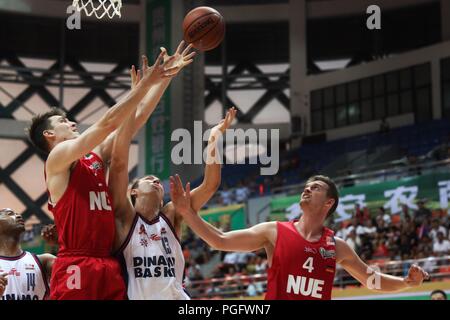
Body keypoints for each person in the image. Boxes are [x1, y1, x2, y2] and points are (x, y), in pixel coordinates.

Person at [28, 47, 189, 300]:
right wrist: (141, 87)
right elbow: (106, 124)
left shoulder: (94, 157)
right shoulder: (56, 159)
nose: (71, 123)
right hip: (77, 263)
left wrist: (165, 77)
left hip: (108, 261)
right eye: (63, 121)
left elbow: (134, 121)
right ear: (49, 135)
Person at [169, 174, 429, 300]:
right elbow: (220, 240)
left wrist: (407, 282)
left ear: (329, 202)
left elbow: (372, 280)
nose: (307, 189)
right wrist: (186, 213)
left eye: (315, 188)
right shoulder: (273, 231)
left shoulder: (337, 246)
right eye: (306, 186)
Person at [108, 102, 236, 299]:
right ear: (133, 192)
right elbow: (118, 165)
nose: (156, 180)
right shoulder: (126, 219)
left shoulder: (171, 214)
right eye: (148, 179)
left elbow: (211, 184)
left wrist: (213, 137)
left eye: (158, 180)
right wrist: (135, 100)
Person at [0, 208, 55, 300]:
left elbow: (78, 271)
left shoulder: (44, 261)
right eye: (10, 213)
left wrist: (62, 243)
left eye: (17, 213)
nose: (18, 215)